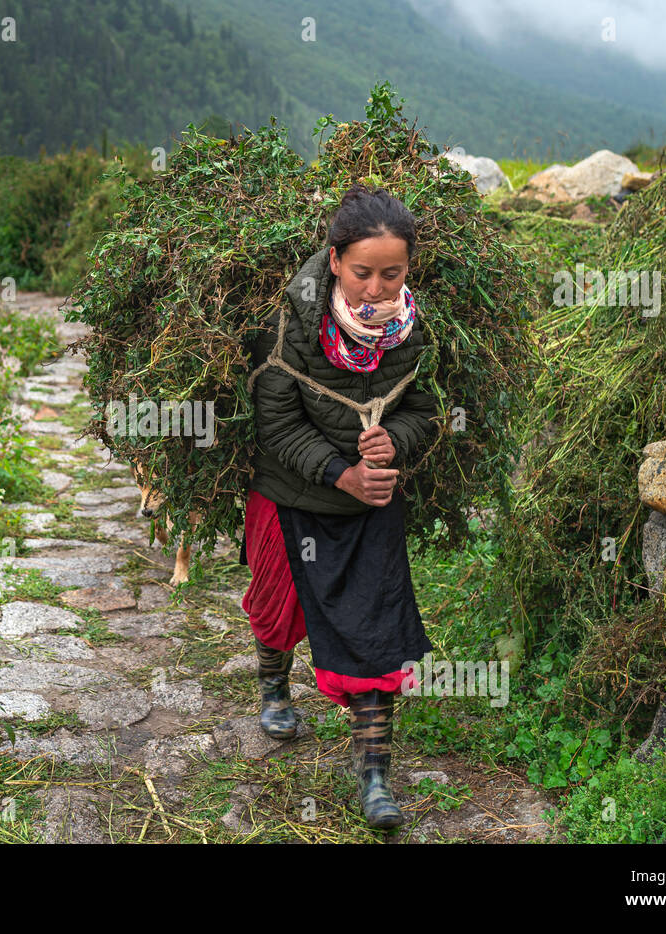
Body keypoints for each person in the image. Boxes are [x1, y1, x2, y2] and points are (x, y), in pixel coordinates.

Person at [240, 184, 439, 830]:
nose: (376, 290)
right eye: (362, 273)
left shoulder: (410, 331)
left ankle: (376, 778)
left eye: (392, 273)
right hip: (291, 493)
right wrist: (338, 472)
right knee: (277, 607)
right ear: (333, 262)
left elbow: (424, 411)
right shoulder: (292, 322)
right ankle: (274, 683)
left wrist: (396, 440)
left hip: (372, 503)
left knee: (377, 632)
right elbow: (275, 419)